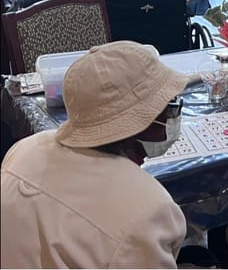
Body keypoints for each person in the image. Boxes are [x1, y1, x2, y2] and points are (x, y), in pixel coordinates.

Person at [1, 41, 189, 268]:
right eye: (170, 106)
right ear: (141, 122)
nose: (173, 116)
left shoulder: (26, 149)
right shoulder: (148, 207)